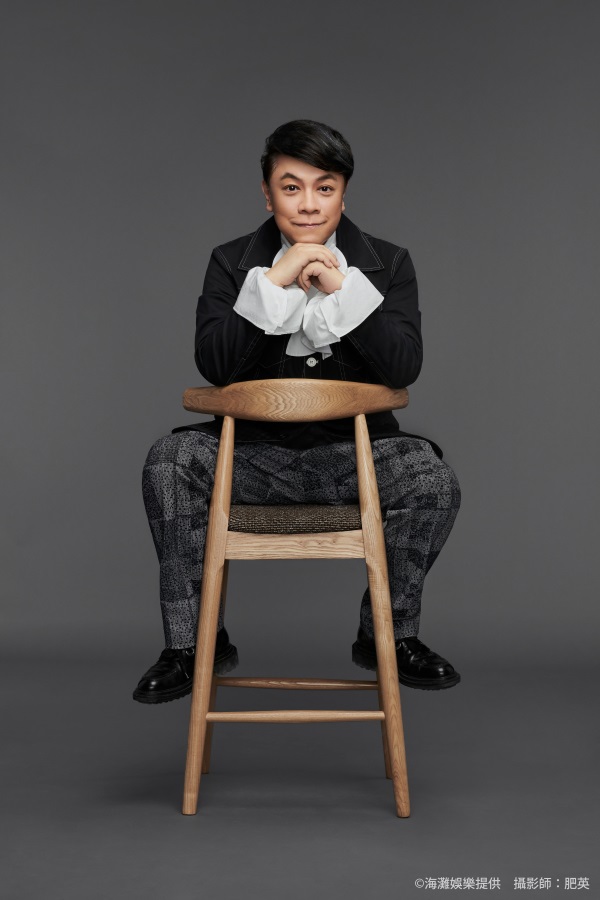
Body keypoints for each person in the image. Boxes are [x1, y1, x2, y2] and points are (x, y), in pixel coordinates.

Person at [133, 119, 462, 704]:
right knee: (169, 460)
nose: (309, 204)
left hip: (354, 460)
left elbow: (403, 366)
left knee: (432, 480)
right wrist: (273, 282)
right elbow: (214, 363)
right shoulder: (231, 261)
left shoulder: (388, 263)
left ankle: (388, 633)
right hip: (250, 459)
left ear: (343, 194)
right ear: (268, 194)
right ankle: (192, 642)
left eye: (324, 187)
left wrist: (341, 290)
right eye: (292, 187)